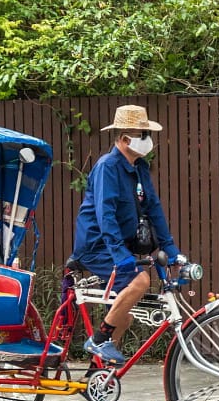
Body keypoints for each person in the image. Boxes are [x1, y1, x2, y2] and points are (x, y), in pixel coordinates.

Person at [70, 105, 185, 366]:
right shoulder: (107, 167)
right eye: (142, 134)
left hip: (117, 247)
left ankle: (99, 378)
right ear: (124, 139)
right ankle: (99, 339)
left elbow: (153, 208)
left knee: (124, 316)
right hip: (96, 245)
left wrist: (171, 248)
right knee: (141, 280)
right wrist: (121, 255)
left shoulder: (140, 168)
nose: (147, 140)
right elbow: (105, 215)